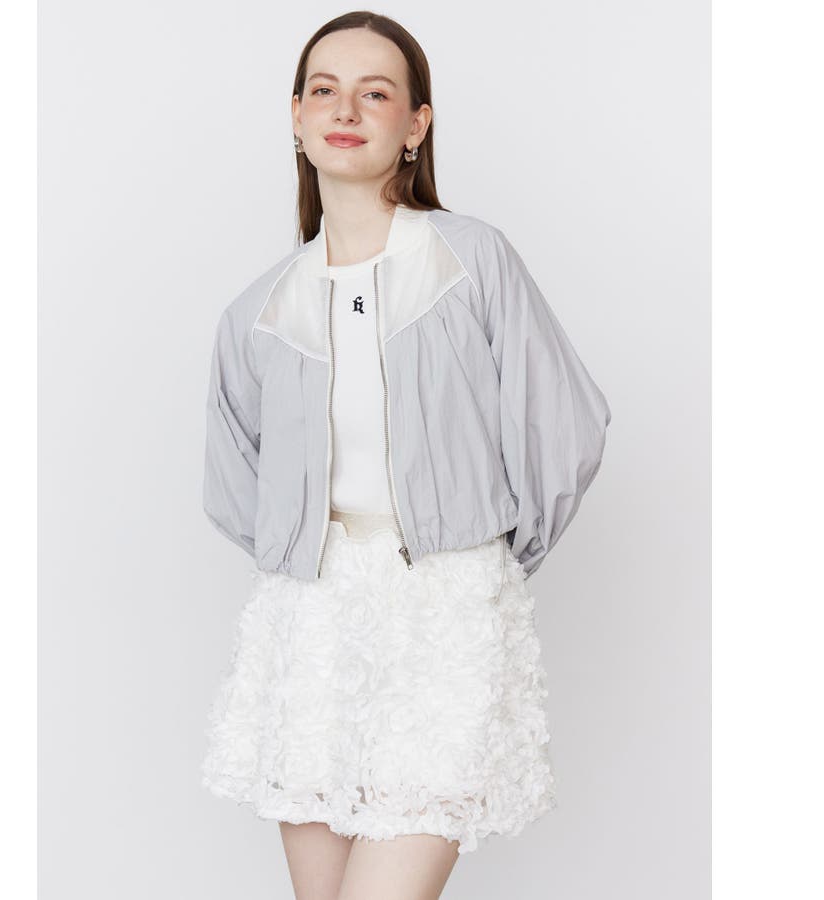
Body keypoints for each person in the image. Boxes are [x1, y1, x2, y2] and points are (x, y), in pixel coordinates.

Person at [200, 11, 612, 900]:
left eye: (375, 92)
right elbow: (235, 483)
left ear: (416, 123)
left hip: (446, 616)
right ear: (297, 117)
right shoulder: (258, 313)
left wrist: (484, 563)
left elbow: (564, 426)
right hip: (310, 625)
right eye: (324, 90)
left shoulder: (472, 262)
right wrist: (302, 552)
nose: (345, 109)